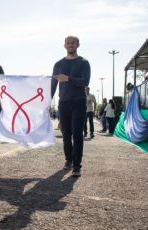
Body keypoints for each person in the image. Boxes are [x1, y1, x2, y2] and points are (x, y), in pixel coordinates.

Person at [51, 36, 91, 177]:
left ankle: (76, 165)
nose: (71, 45)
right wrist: (47, 101)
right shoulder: (58, 64)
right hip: (63, 103)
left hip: (79, 102)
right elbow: (53, 85)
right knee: (66, 134)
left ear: (78, 45)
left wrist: (68, 78)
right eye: (68, 43)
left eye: (73, 43)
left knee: (77, 134)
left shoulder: (84, 63)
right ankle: (68, 159)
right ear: (64, 45)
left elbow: (85, 82)